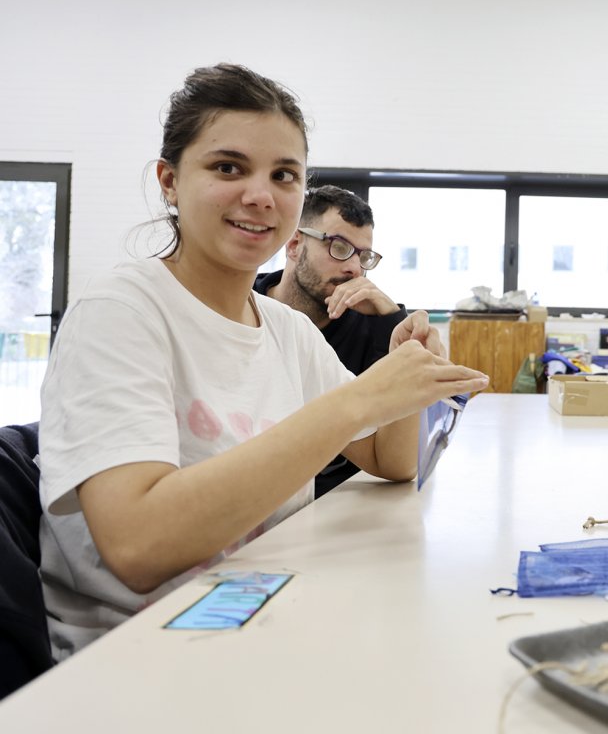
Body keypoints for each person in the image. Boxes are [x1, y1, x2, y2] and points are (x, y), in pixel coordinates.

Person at [37, 64, 489, 659]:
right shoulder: (120, 311)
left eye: (284, 175)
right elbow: (139, 547)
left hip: (267, 617)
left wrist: (399, 371)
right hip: (142, 655)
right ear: (169, 181)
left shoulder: (286, 329)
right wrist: (363, 397)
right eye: (228, 167)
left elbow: (389, 461)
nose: (260, 195)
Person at [255, 184, 409, 496]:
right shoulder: (246, 310)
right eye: (339, 247)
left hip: (337, 506)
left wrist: (394, 321)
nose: (354, 267)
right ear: (295, 243)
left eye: (364, 256)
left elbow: (396, 456)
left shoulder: (376, 326)